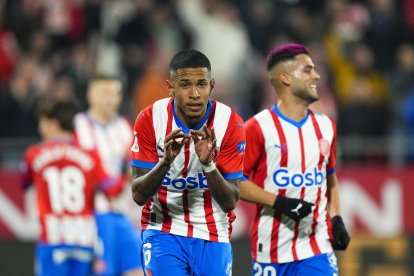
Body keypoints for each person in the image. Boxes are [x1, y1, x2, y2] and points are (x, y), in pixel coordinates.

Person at [130, 49, 246, 275]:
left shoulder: (230, 123)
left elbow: (230, 201)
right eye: (185, 85)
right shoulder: (150, 119)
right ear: (170, 87)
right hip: (162, 229)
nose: (194, 93)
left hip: (213, 232)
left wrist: (208, 165)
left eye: (201, 84)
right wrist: (165, 163)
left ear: (211, 86)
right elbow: (138, 194)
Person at [240, 43, 350, 275]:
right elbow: (234, 183)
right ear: (286, 78)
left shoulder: (326, 126)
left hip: (316, 247)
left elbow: (330, 178)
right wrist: (279, 202)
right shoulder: (258, 127)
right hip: (270, 250)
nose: (317, 76)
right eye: (308, 70)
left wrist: (337, 217)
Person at [21, 100, 125, 276]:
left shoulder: (34, 154)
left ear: (52, 123)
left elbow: (23, 183)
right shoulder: (90, 156)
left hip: (52, 236)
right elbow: (113, 188)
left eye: (42, 123)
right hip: (84, 238)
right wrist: (124, 169)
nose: (40, 128)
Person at [74, 75, 143, 276]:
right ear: (91, 95)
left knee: (138, 269)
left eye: (116, 94)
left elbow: (135, 169)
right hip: (95, 214)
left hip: (124, 214)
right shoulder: (78, 126)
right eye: (106, 94)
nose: (112, 100)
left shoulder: (124, 126)